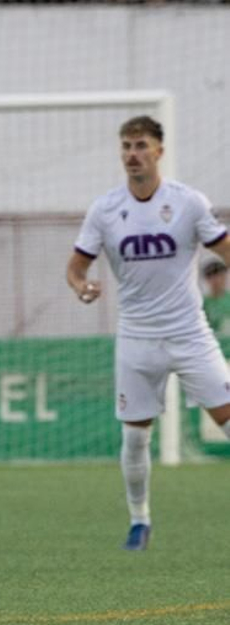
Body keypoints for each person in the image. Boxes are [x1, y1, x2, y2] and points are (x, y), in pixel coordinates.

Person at [66, 115, 230, 551]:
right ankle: (139, 521)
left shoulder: (188, 202)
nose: (131, 154)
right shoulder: (104, 209)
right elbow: (76, 266)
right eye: (125, 146)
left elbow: (224, 248)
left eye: (139, 145)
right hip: (137, 339)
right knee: (135, 438)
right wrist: (82, 286)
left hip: (190, 334)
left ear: (158, 150)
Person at [202, 257, 230, 338]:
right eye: (212, 277)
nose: (217, 280)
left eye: (220, 275)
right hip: (214, 347)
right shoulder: (203, 304)